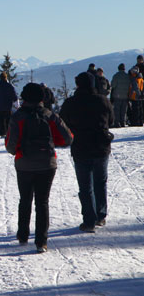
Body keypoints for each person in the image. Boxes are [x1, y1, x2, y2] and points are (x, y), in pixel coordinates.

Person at [6, 83, 73, 253]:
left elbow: (10, 146)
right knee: (42, 202)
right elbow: (67, 138)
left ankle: (23, 235)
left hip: (24, 164)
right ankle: (41, 242)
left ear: (24, 97)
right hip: (47, 163)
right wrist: (52, 142)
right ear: (42, 98)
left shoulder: (17, 117)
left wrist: (19, 150)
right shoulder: (50, 116)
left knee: (25, 199)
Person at [60, 72, 114, 233]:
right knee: (100, 181)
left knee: (85, 186)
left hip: (81, 146)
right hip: (101, 146)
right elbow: (111, 120)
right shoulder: (102, 100)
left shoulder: (71, 103)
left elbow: (63, 122)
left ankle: (89, 220)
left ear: (78, 84)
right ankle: (101, 215)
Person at [0, 72, 18, 137]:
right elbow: (14, 97)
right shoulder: (10, 86)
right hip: (8, 106)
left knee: (1, 121)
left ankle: (2, 133)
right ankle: (8, 133)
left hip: (0, 106)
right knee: (8, 120)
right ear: (6, 78)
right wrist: (16, 105)